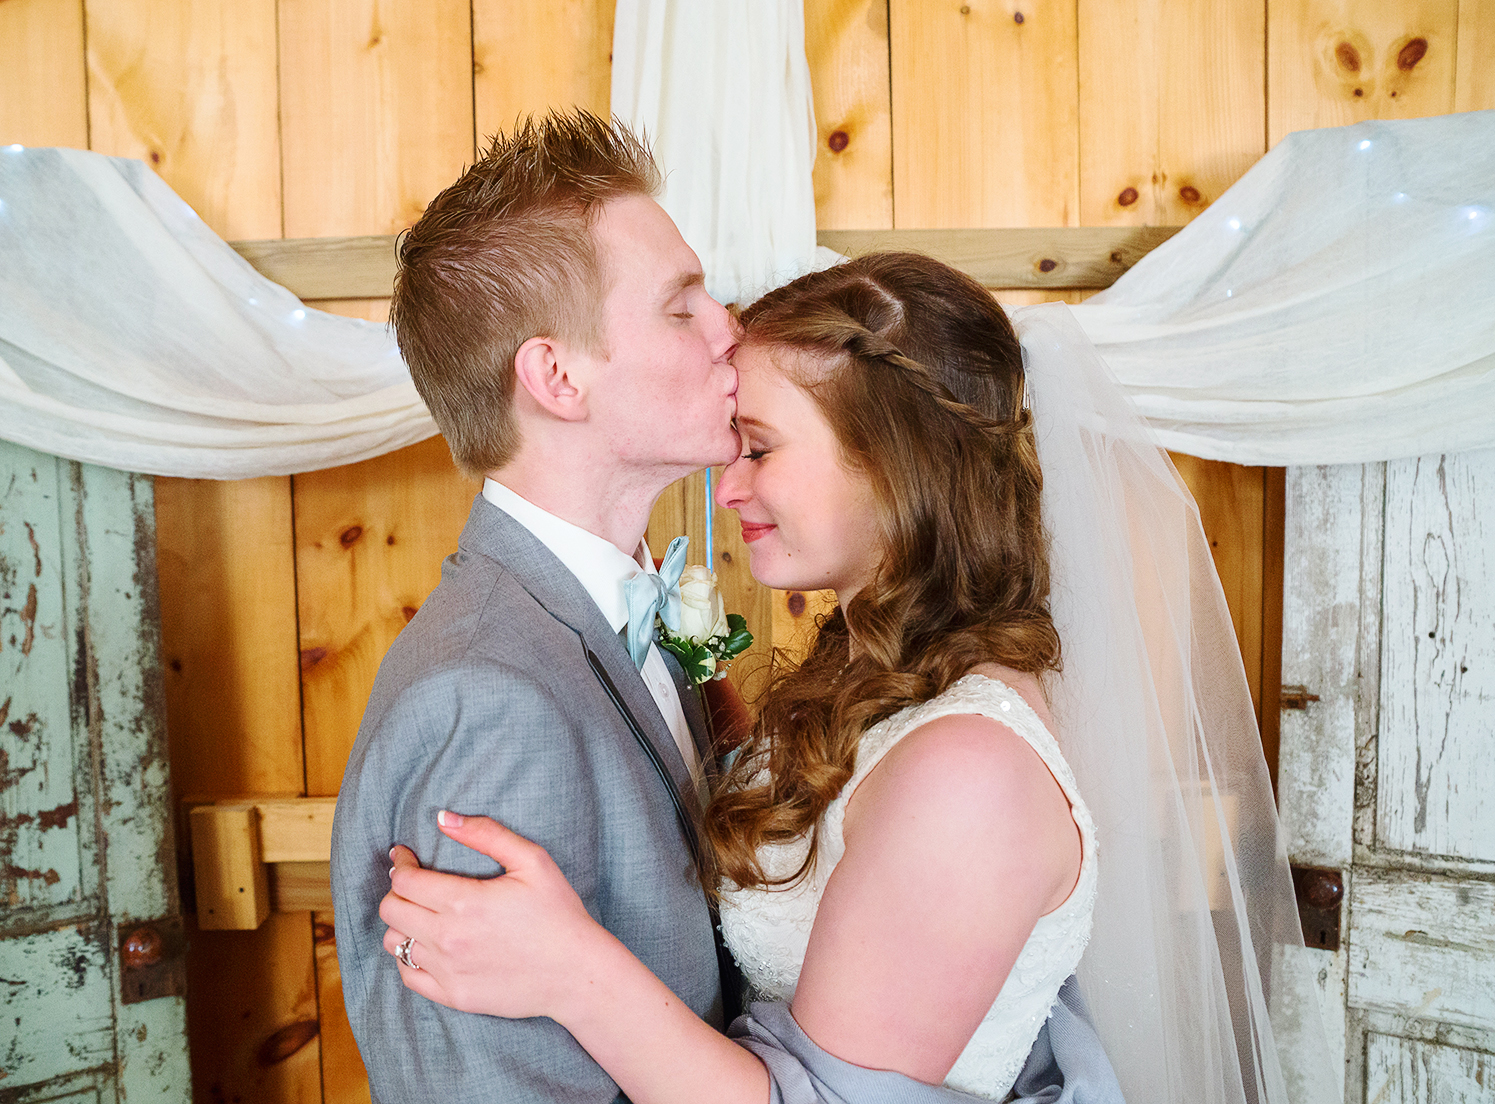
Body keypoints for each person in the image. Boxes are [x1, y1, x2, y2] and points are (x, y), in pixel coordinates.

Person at [332, 115, 1117, 1104]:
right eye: (679, 306)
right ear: (556, 377)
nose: (726, 328)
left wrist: (583, 972)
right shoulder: (486, 698)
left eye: (766, 445)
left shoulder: (641, 619)